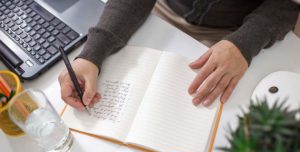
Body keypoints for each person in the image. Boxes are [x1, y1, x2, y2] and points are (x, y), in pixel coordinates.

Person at [58, 0, 298, 111]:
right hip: (158, 10)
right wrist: (91, 54)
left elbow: (287, 5)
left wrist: (243, 44)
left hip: (230, 33)